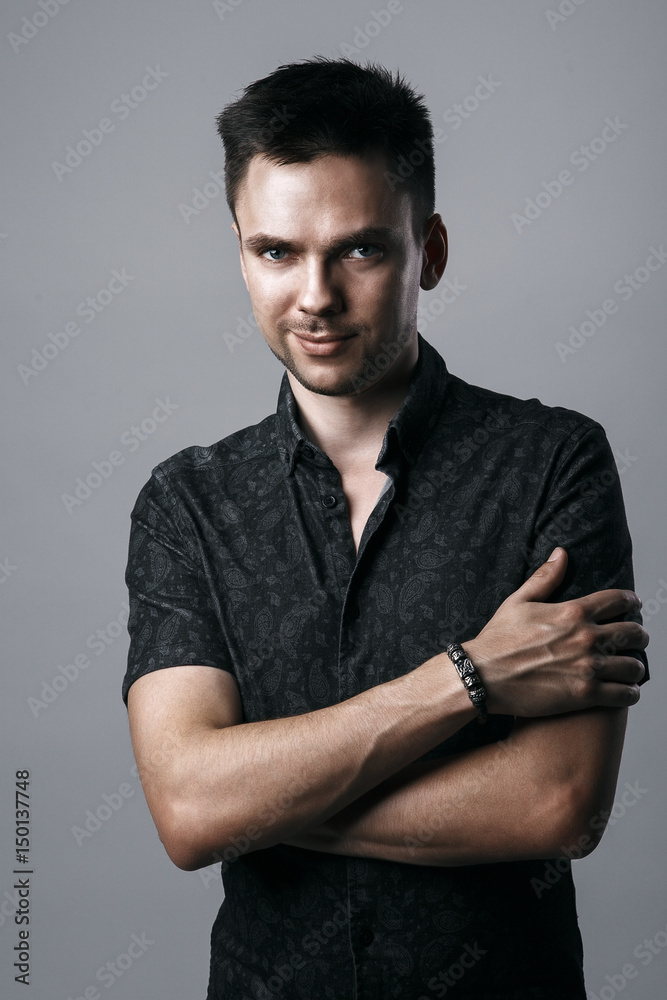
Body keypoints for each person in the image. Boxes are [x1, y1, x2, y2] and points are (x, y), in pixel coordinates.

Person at [122, 58, 649, 1000]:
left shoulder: (553, 463)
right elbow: (189, 810)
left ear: (429, 251)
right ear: (239, 251)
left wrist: (263, 799)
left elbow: (558, 804)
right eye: (275, 252)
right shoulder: (185, 505)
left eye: (359, 250)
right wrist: (468, 680)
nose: (314, 295)